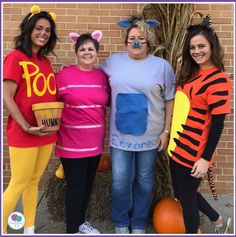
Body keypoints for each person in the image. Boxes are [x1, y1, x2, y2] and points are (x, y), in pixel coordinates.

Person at [100, 15, 176, 234]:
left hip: (150, 137)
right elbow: (94, 79)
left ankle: (139, 222)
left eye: (141, 38)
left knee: (144, 181)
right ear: (125, 41)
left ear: (149, 41)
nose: (136, 42)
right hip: (120, 137)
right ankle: (121, 222)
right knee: (121, 182)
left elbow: (170, 98)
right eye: (132, 38)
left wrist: (166, 131)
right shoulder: (113, 62)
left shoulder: (161, 67)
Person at [167, 15, 232, 234]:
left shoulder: (219, 80)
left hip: (194, 152)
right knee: (182, 193)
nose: (197, 51)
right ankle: (216, 218)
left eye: (201, 46)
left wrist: (205, 159)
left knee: (186, 200)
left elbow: (217, 124)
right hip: (177, 146)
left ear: (212, 46)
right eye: (192, 47)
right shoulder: (192, 74)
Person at [3, 5, 58, 234]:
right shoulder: (15, 58)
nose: (43, 33)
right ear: (28, 29)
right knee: (18, 183)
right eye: (38, 28)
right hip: (24, 132)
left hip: (46, 133)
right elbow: (7, 96)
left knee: (34, 181)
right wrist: (26, 125)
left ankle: (29, 228)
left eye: (47, 30)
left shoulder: (45, 62)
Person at [55, 31, 110, 234]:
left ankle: (80, 222)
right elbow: (51, 103)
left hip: (94, 145)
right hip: (71, 143)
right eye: (82, 49)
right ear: (76, 53)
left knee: (87, 185)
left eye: (91, 49)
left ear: (97, 53)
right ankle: (71, 230)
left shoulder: (102, 77)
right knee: (76, 187)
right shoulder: (63, 75)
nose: (87, 53)